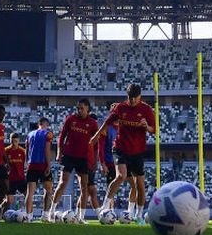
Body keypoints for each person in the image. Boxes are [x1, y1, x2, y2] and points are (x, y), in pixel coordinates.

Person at [92, 83, 157, 223]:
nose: (132, 100)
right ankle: (104, 207)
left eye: (135, 97)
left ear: (140, 96)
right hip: (121, 148)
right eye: (130, 97)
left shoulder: (146, 109)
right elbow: (107, 122)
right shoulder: (120, 108)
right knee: (120, 176)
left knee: (139, 184)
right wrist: (96, 135)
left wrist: (147, 127)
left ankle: (139, 215)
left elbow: (154, 130)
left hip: (137, 151)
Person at [52, 99, 99, 223]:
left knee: (84, 187)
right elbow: (62, 136)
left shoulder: (93, 123)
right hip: (69, 155)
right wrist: (59, 152)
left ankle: (81, 217)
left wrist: (95, 161)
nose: (79, 110)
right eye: (78, 108)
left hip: (83, 158)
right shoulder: (71, 119)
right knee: (62, 183)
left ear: (88, 109)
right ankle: (51, 211)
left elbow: (95, 145)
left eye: (81, 108)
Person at [24, 117, 54, 222]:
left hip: (31, 165)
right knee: (49, 190)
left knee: (30, 193)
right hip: (42, 164)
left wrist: (26, 162)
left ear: (38, 124)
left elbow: (26, 150)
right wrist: (48, 165)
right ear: (47, 124)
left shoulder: (30, 134)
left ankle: (28, 217)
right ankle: (45, 215)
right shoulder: (48, 134)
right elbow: (47, 149)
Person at [5, 132, 27, 212]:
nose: (14, 143)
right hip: (11, 179)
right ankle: (3, 214)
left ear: (18, 141)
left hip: (21, 178)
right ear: (10, 141)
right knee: (9, 200)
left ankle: (29, 215)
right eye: (12, 141)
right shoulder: (6, 151)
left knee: (28, 195)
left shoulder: (23, 151)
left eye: (16, 141)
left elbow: (27, 163)